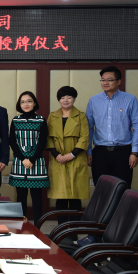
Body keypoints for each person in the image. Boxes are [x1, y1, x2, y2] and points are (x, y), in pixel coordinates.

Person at [86, 66, 138, 187]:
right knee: (101, 189)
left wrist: (135, 152)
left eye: (110, 80)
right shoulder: (94, 100)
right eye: (103, 80)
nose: (105, 83)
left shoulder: (130, 99)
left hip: (123, 153)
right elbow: (89, 128)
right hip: (100, 153)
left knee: (122, 188)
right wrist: (89, 151)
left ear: (119, 81)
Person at [47, 86, 90, 224]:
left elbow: (84, 137)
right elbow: (47, 137)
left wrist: (72, 154)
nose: (65, 100)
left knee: (75, 195)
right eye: (62, 98)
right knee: (60, 195)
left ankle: (74, 229)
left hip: (76, 159)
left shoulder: (81, 115)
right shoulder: (52, 116)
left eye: (69, 97)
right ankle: (61, 228)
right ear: (59, 100)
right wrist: (56, 155)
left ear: (74, 99)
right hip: (58, 160)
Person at [9, 91, 49, 227]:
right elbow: (12, 141)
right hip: (20, 162)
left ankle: (38, 226)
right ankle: (21, 226)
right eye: (23, 102)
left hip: (36, 162)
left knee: (37, 197)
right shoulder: (15, 120)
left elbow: (42, 142)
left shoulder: (41, 120)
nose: (26, 104)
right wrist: (23, 158)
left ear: (34, 103)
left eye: (29, 101)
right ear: (19, 104)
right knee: (21, 197)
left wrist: (31, 159)